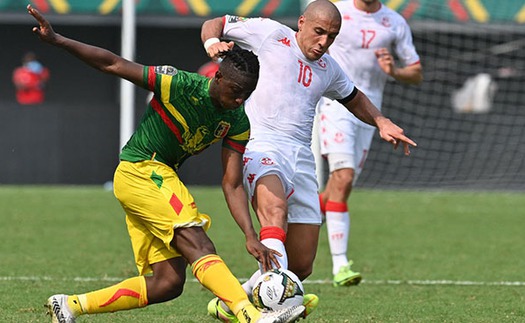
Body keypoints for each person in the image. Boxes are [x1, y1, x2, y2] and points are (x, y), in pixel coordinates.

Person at [26, 5, 304, 323]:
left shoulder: (237, 121)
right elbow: (113, 63)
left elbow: (233, 182)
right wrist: (58, 40)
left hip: (153, 178)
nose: (240, 100)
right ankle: (250, 316)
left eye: (247, 95)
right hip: (143, 169)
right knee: (198, 241)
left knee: (167, 283)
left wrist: (250, 234)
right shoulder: (179, 84)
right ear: (219, 76)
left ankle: (71, 305)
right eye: (236, 91)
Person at [201, 0, 417, 320]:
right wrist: (212, 42)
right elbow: (216, 22)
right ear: (301, 23)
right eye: (319, 32)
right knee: (274, 212)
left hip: (302, 159)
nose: (324, 42)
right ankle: (267, 310)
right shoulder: (270, 35)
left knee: (301, 265)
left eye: (331, 36)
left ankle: (231, 300)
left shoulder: (329, 67)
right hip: (261, 146)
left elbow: (354, 97)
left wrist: (382, 122)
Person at [317, 0, 423, 287]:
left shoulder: (394, 22)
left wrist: (395, 71)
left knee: (340, 186)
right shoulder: (336, 13)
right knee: (344, 176)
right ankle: (340, 264)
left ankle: (299, 221)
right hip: (335, 106)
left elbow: (416, 71)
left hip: (371, 114)